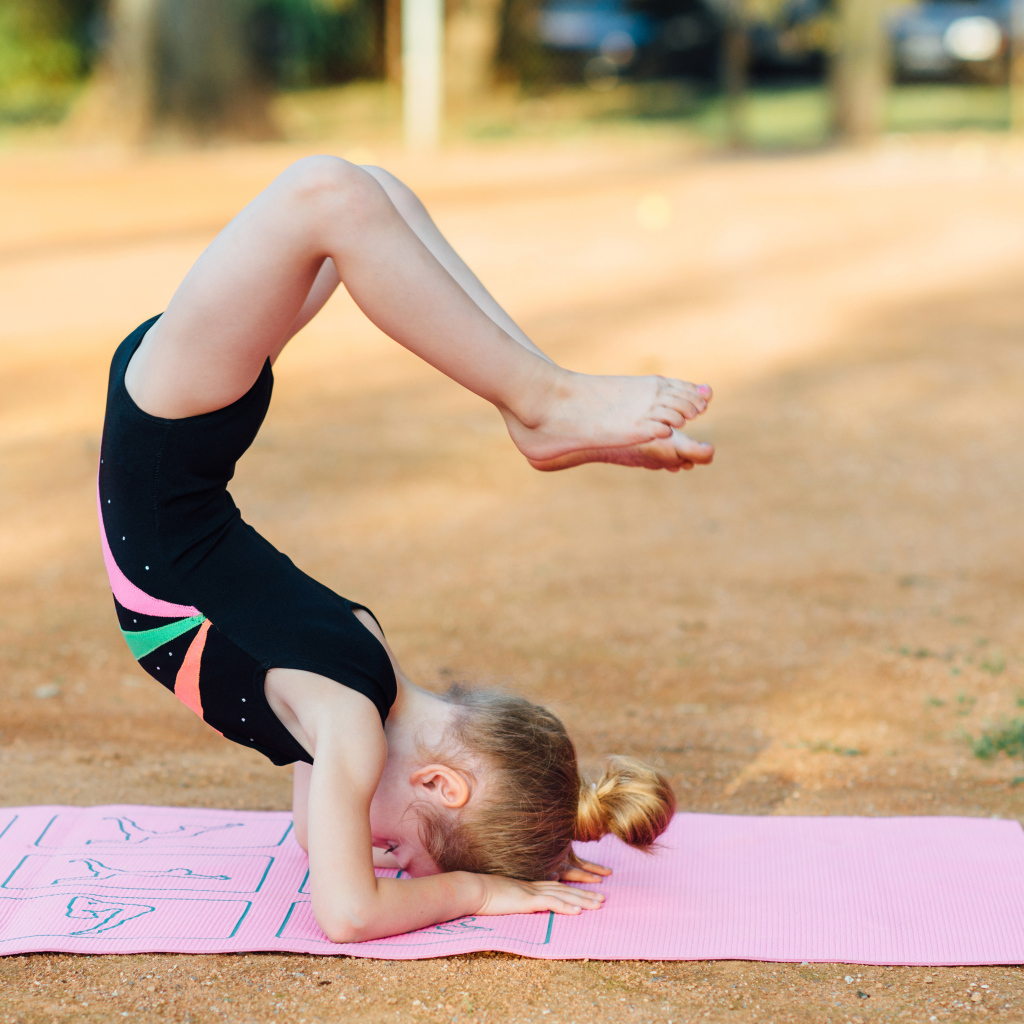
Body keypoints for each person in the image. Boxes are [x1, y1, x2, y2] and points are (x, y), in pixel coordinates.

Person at [97, 156, 714, 943]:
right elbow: (349, 913)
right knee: (348, 195)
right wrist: (474, 891)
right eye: (397, 847)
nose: (370, 850)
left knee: (357, 198)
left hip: (179, 441)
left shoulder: (364, 663)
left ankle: (537, 403)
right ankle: (542, 401)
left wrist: (526, 835)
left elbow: (324, 848)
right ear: (436, 782)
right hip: (168, 440)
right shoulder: (346, 723)